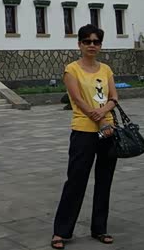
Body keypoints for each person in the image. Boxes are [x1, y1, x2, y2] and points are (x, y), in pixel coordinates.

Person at [51, 24, 119, 248]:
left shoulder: (106, 69)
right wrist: (98, 117)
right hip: (83, 131)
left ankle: (100, 228)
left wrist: (104, 112)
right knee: (76, 181)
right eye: (87, 41)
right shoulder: (72, 69)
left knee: (104, 181)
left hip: (108, 131)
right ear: (79, 44)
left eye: (96, 41)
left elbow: (114, 97)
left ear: (100, 45)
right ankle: (61, 231)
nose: (92, 45)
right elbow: (77, 99)